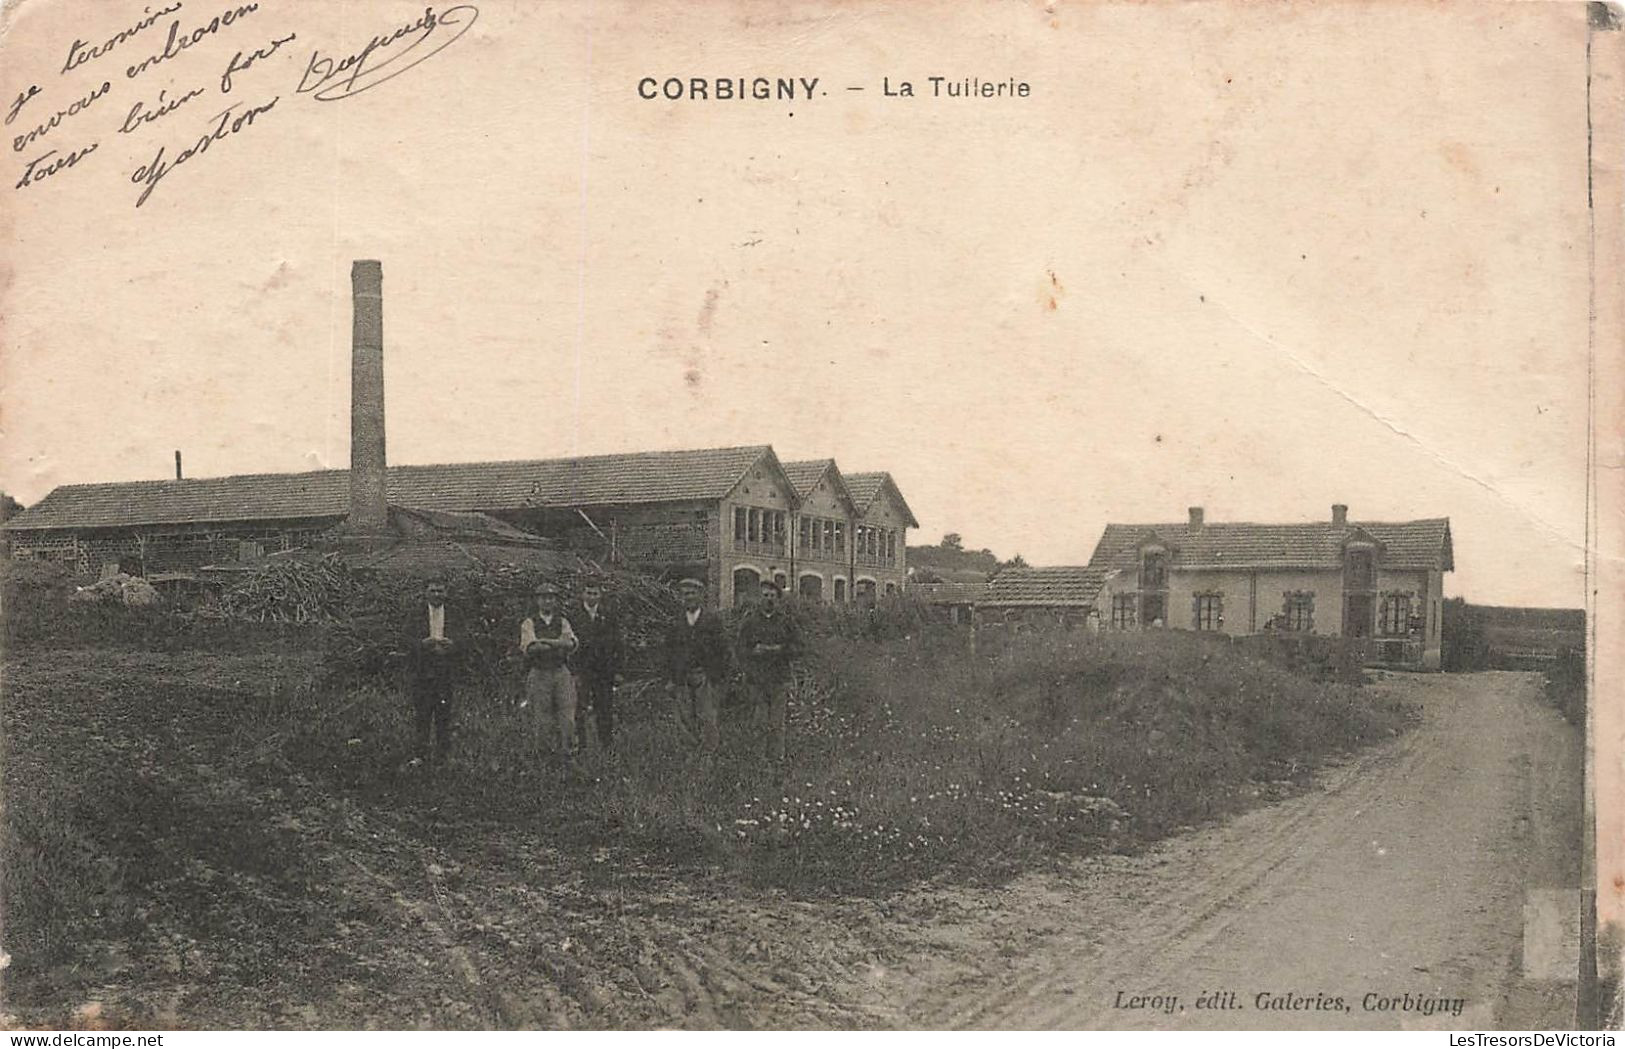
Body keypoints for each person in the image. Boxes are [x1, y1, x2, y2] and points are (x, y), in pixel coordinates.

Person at [737, 578, 802, 763]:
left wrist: (779, 650)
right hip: (757, 680)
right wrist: (752, 652)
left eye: (773, 596)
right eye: (765, 595)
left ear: (778, 599)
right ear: (759, 598)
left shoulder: (786, 622)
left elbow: (800, 647)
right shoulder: (749, 622)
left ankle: (777, 760)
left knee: (777, 723)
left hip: (779, 679)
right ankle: (759, 760)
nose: (769, 599)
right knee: (759, 722)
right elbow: (739, 650)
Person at [663, 577, 729, 753]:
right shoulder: (675, 622)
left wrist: (718, 678)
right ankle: (690, 753)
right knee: (684, 717)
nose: (689, 597)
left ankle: (708, 754)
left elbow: (723, 651)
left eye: (692, 593)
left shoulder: (712, 621)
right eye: (685, 594)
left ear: (701, 595)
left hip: (705, 676)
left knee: (707, 717)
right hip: (682, 677)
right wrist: (670, 678)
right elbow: (668, 652)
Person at [520, 580, 579, 757]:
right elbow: (531, 648)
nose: (548, 602)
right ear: (537, 601)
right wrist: (557, 643)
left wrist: (546, 641)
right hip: (539, 673)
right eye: (544, 598)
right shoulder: (529, 623)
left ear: (556, 601)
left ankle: (567, 753)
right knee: (541, 716)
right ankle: (542, 754)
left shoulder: (563, 622)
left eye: (551, 598)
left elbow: (570, 643)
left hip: (561, 672)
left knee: (567, 715)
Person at [405, 578, 460, 766]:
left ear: (446, 593)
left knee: (444, 714)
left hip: (445, 671)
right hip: (423, 671)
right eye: (433, 591)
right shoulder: (416, 614)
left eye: (440, 591)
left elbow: (465, 637)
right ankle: (420, 754)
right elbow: (406, 639)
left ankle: (443, 756)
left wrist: (453, 645)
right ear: (426, 593)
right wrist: (422, 644)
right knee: (423, 714)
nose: (437, 594)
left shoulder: (455, 614)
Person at [571, 576, 625, 750]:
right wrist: (574, 672)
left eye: (595, 593)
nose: (592, 597)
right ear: (582, 595)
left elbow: (618, 644)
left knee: (605, 708)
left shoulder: (608, 616)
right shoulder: (574, 616)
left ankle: (606, 745)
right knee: (580, 708)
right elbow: (570, 647)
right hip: (583, 670)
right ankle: (582, 746)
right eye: (588, 593)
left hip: (604, 671)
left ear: (600, 595)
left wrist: (617, 670)